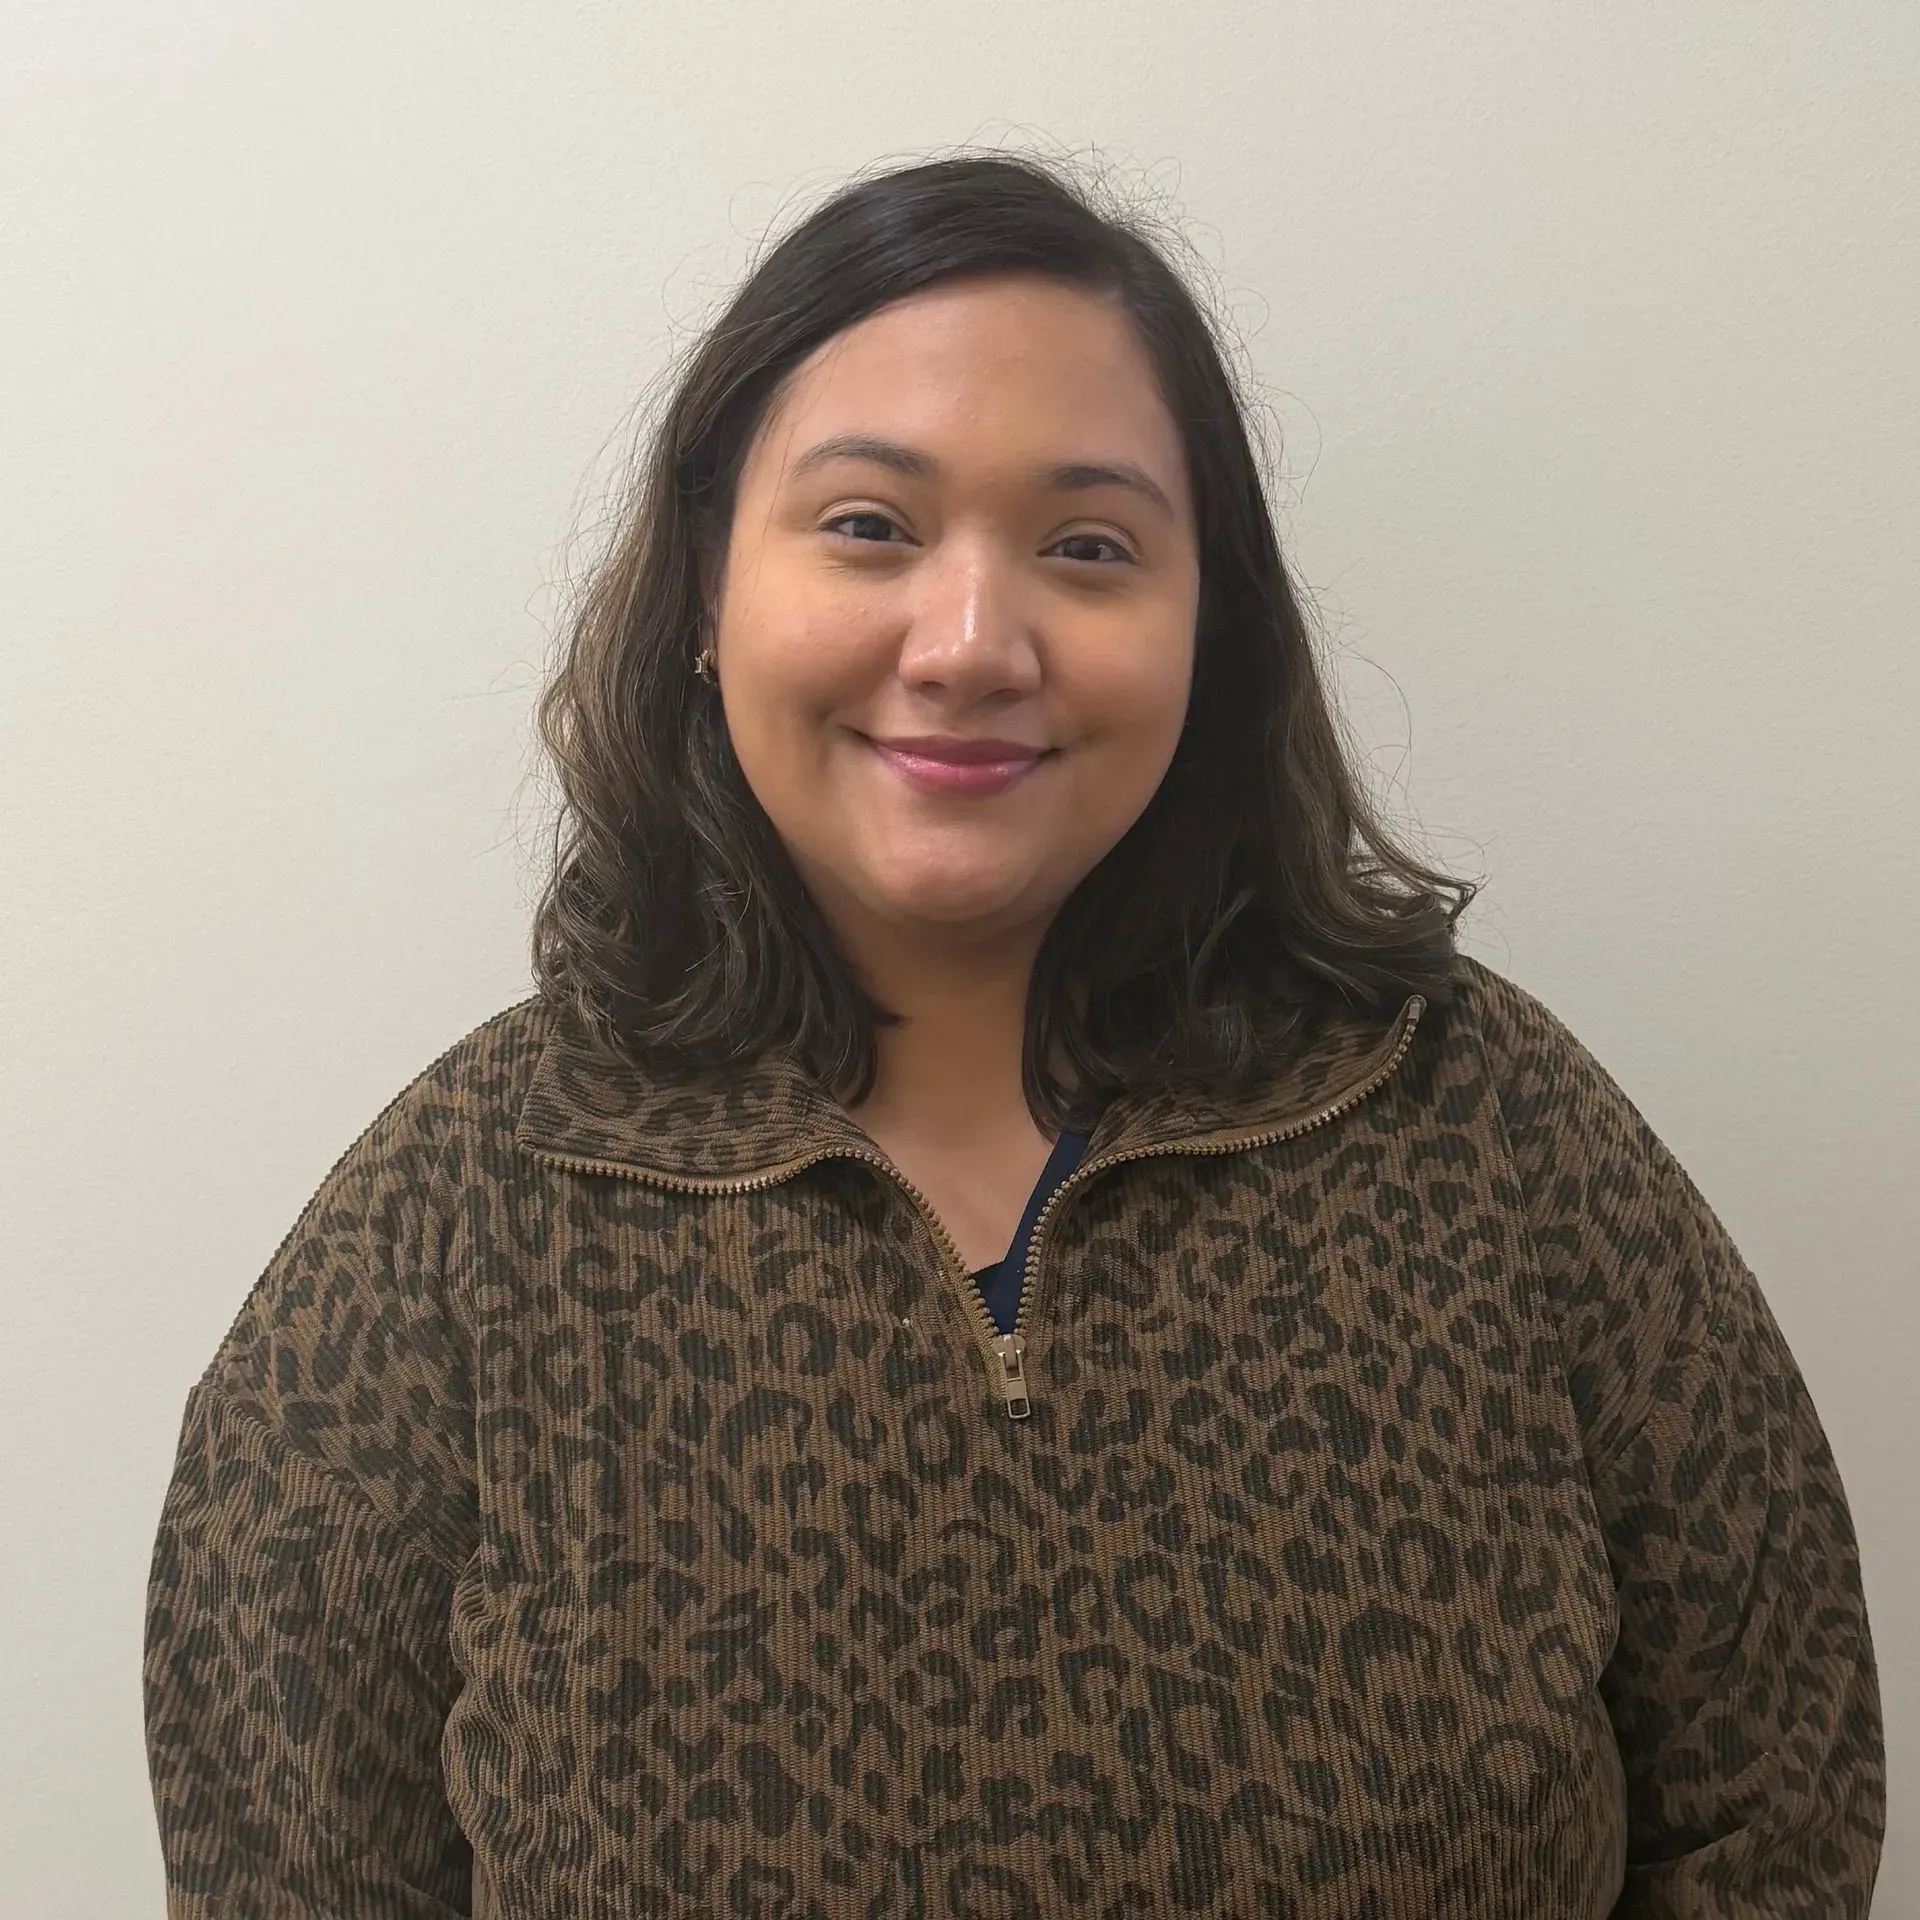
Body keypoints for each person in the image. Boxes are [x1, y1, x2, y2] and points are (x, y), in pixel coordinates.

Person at [143, 154, 1883, 1919]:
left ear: (1217, 627)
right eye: (870, 527)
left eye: (1090, 548)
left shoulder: (1491, 1133)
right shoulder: (451, 1230)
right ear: (702, 587)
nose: (972, 644)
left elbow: (1781, 1806)